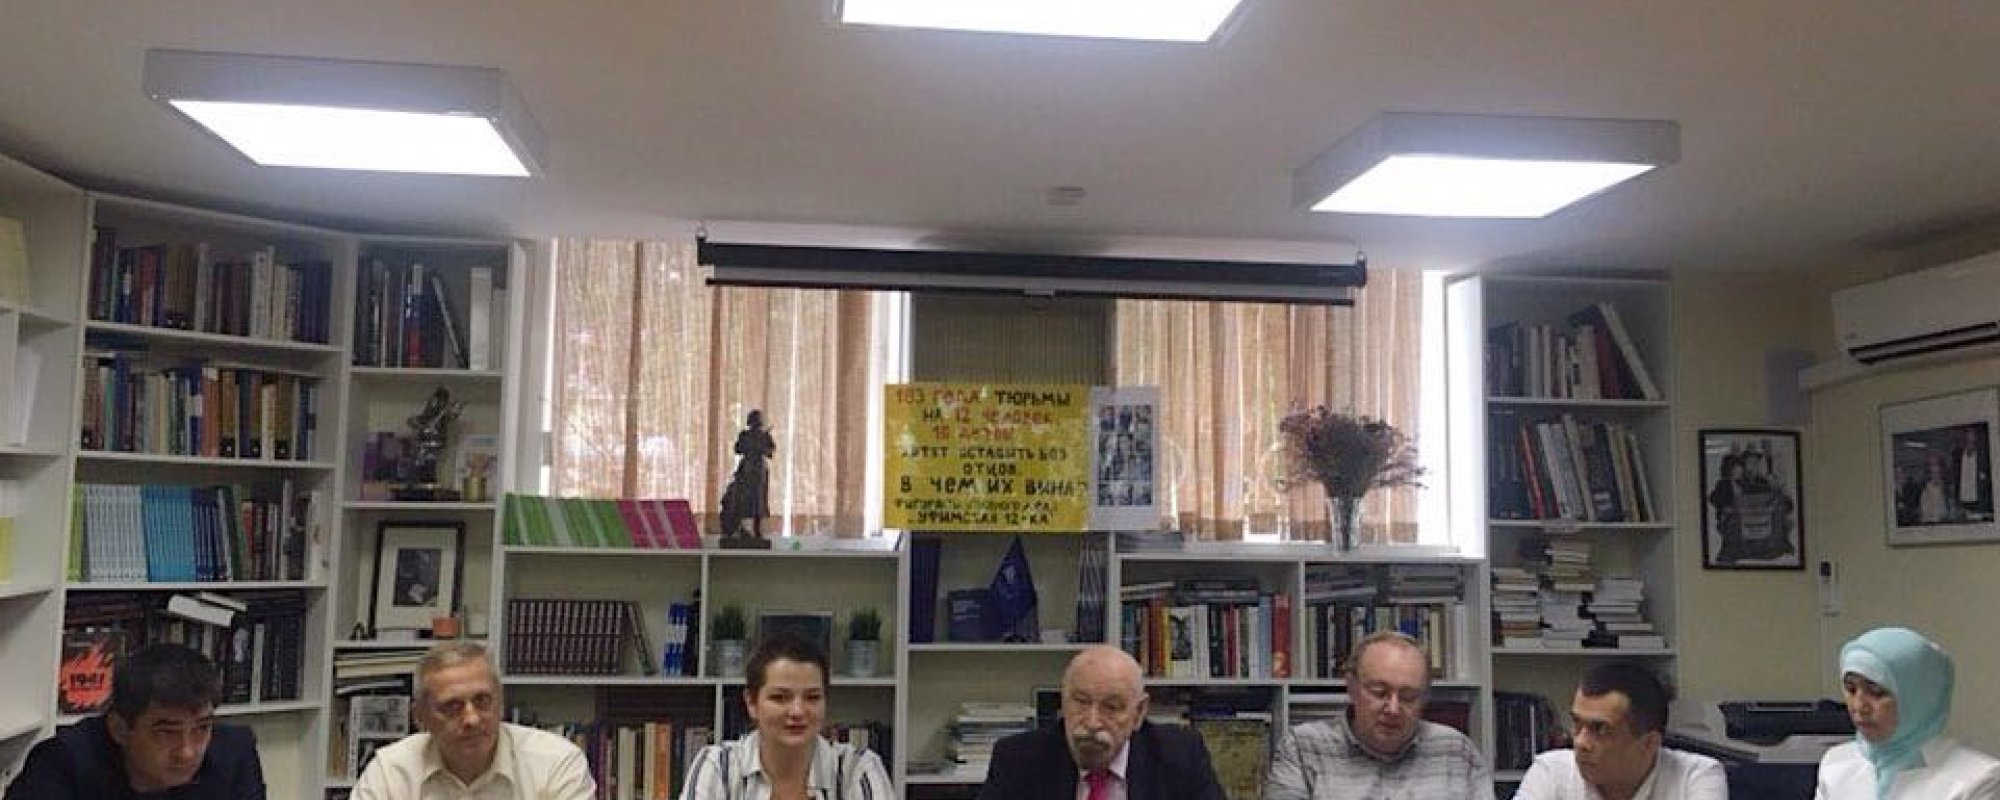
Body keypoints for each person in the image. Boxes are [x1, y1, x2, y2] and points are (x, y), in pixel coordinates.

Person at [6, 643, 267, 799]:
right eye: (167, 732)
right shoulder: (65, 761)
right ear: (119, 729)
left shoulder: (235, 754)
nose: (186, 752)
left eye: (202, 728)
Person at [1264, 631, 1493, 800]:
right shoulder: (1303, 747)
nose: (1393, 709)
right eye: (1379, 692)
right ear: (1351, 687)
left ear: (1425, 697)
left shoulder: (1456, 751)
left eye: (1408, 697)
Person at [977, 645, 1226, 800]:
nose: (1092, 722)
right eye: (1080, 702)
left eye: (1111, 707)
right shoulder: (1018, 759)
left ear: (1138, 713)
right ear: (1063, 702)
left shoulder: (1181, 756)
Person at [351, 641, 594, 799]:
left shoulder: (556, 763)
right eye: (452, 707)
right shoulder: (390, 772)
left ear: (501, 703)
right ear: (420, 717)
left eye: (482, 701)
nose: (472, 719)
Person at [679, 632, 892, 799]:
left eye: (812, 697)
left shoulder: (858, 769)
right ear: (751, 703)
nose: (797, 711)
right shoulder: (718, 766)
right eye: (780, 697)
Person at [1815, 627, 2000, 799]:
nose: (1859, 706)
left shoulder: (1978, 778)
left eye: (1877, 692)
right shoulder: (1836, 765)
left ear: (1918, 697)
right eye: (1851, 689)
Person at [1513, 661, 1726, 800]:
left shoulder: (1695, 776)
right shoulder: (1551, 771)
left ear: (1649, 743)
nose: (1580, 743)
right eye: (1577, 723)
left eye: (1600, 729)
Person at [720, 410, 776, 539]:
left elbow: (770, 452)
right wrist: (750, 445)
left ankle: (757, 530)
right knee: (741, 499)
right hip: (746, 470)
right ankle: (739, 527)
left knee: (758, 500)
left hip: (759, 471)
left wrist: (761, 446)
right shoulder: (744, 435)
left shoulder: (765, 436)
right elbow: (737, 449)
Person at [1707, 454, 1744, 564]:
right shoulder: (1723, 484)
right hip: (1727, 519)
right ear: (1730, 469)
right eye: (1737, 467)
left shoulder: (1741, 484)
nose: (1740, 470)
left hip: (1740, 516)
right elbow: (1714, 499)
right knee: (1731, 538)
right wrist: (1728, 508)